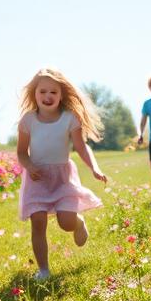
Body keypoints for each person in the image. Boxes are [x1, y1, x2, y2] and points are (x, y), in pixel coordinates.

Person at [16, 68, 107, 281]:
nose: (48, 96)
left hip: (62, 177)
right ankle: (44, 270)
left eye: (53, 92)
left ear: (61, 95)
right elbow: (21, 152)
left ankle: (78, 223)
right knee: (38, 221)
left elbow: (82, 147)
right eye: (43, 92)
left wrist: (95, 168)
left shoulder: (69, 119)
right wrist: (29, 166)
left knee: (66, 222)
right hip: (37, 178)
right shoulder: (28, 121)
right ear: (34, 94)